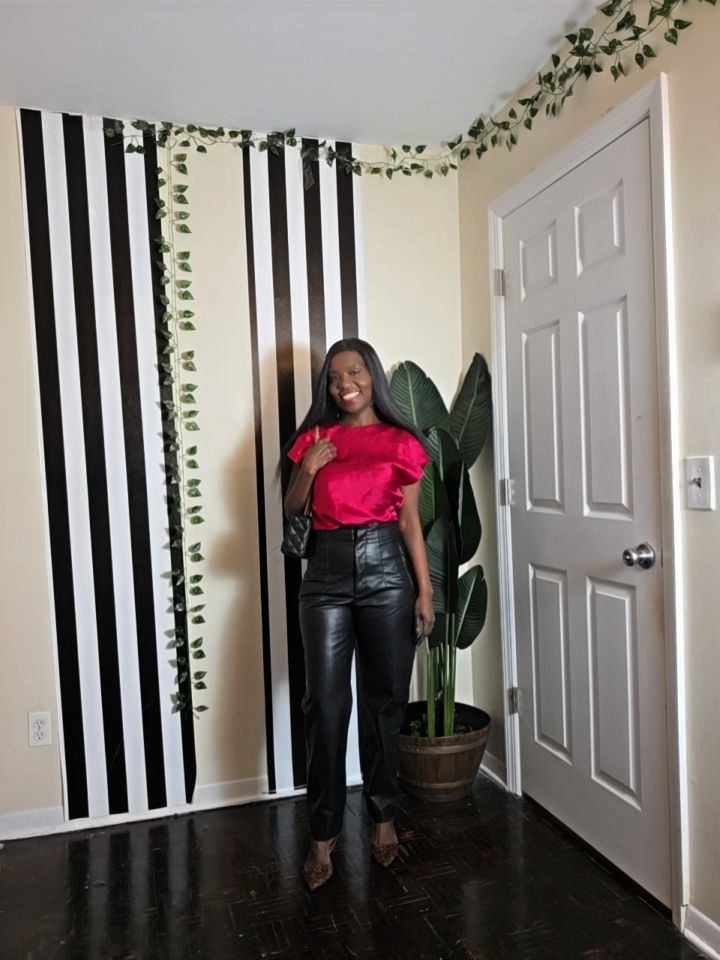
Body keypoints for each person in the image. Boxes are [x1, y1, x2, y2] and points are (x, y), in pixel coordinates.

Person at [283, 338, 435, 891]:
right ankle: (322, 834)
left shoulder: (401, 441)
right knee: (324, 705)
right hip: (324, 575)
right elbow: (291, 509)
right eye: (333, 377)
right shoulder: (315, 438)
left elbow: (410, 523)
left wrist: (424, 591)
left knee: (385, 700)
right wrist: (309, 468)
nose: (343, 384)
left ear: (372, 375)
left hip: (386, 574)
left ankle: (383, 815)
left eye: (353, 372)